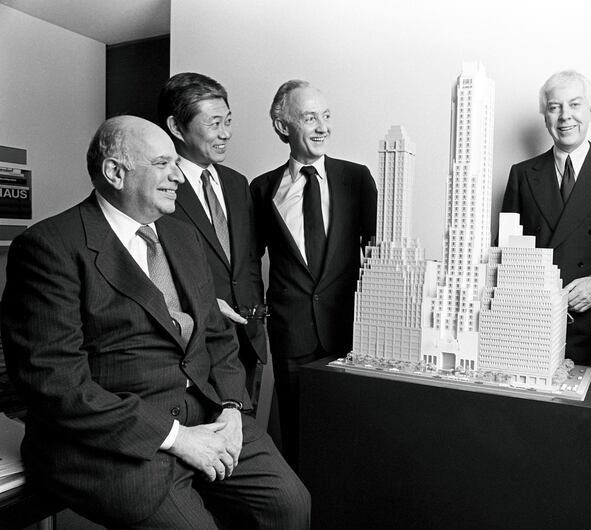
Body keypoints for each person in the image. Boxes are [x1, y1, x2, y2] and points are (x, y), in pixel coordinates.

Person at [1, 116, 310, 529]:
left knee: (289, 503)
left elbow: (216, 335)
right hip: (117, 442)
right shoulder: (49, 249)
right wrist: (178, 438)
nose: (177, 176)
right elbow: (55, 385)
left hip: (208, 415)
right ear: (115, 172)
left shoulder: (183, 236)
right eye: (163, 164)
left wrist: (233, 409)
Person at [250, 80, 377, 470]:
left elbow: (377, 257)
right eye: (309, 118)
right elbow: (248, 263)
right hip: (293, 334)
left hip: (349, 332)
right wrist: (258, 318)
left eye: (325, 116)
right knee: (298, 437)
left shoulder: (357, 179)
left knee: (351, 434)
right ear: (282, 126)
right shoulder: (262, 189)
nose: (323, 126)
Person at [501, 70, 591, 365]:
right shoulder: (522, 174)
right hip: (530, 324)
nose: (565, 116)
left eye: (575, 105)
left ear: (590, 111)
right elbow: (506, 246)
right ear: (545, 116)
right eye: (554, 107)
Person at [158, 72, 275, 424]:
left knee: (245, 444)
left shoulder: (237, 183)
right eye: (214, 124)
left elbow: (248, 260)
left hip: (248, 342)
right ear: (177, 128)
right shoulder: (159, 187)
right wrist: (204, 305)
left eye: (228, 122)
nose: (226, 133)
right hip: (196, 346)